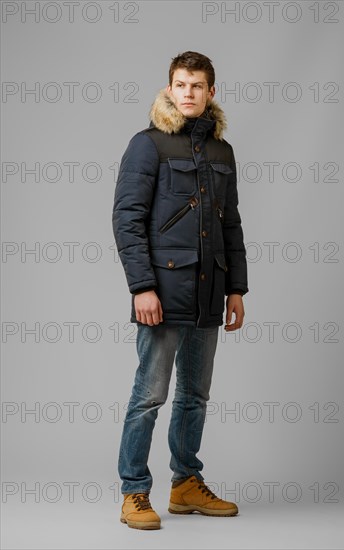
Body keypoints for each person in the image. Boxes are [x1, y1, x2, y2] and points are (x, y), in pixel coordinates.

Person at [112, 51, 249, 530]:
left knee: (195, 396)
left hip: (211, 292)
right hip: (162, 292)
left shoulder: (221, 152)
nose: (188, 92)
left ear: (212, 92)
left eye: (197, 85)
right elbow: (127, 220)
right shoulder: (147, 145)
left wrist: (237, 289)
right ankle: (134, 492)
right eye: (180, 84)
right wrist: (142, 286)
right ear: (169, 89)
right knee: (149, 395)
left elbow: (229, 223)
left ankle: (186, 483)